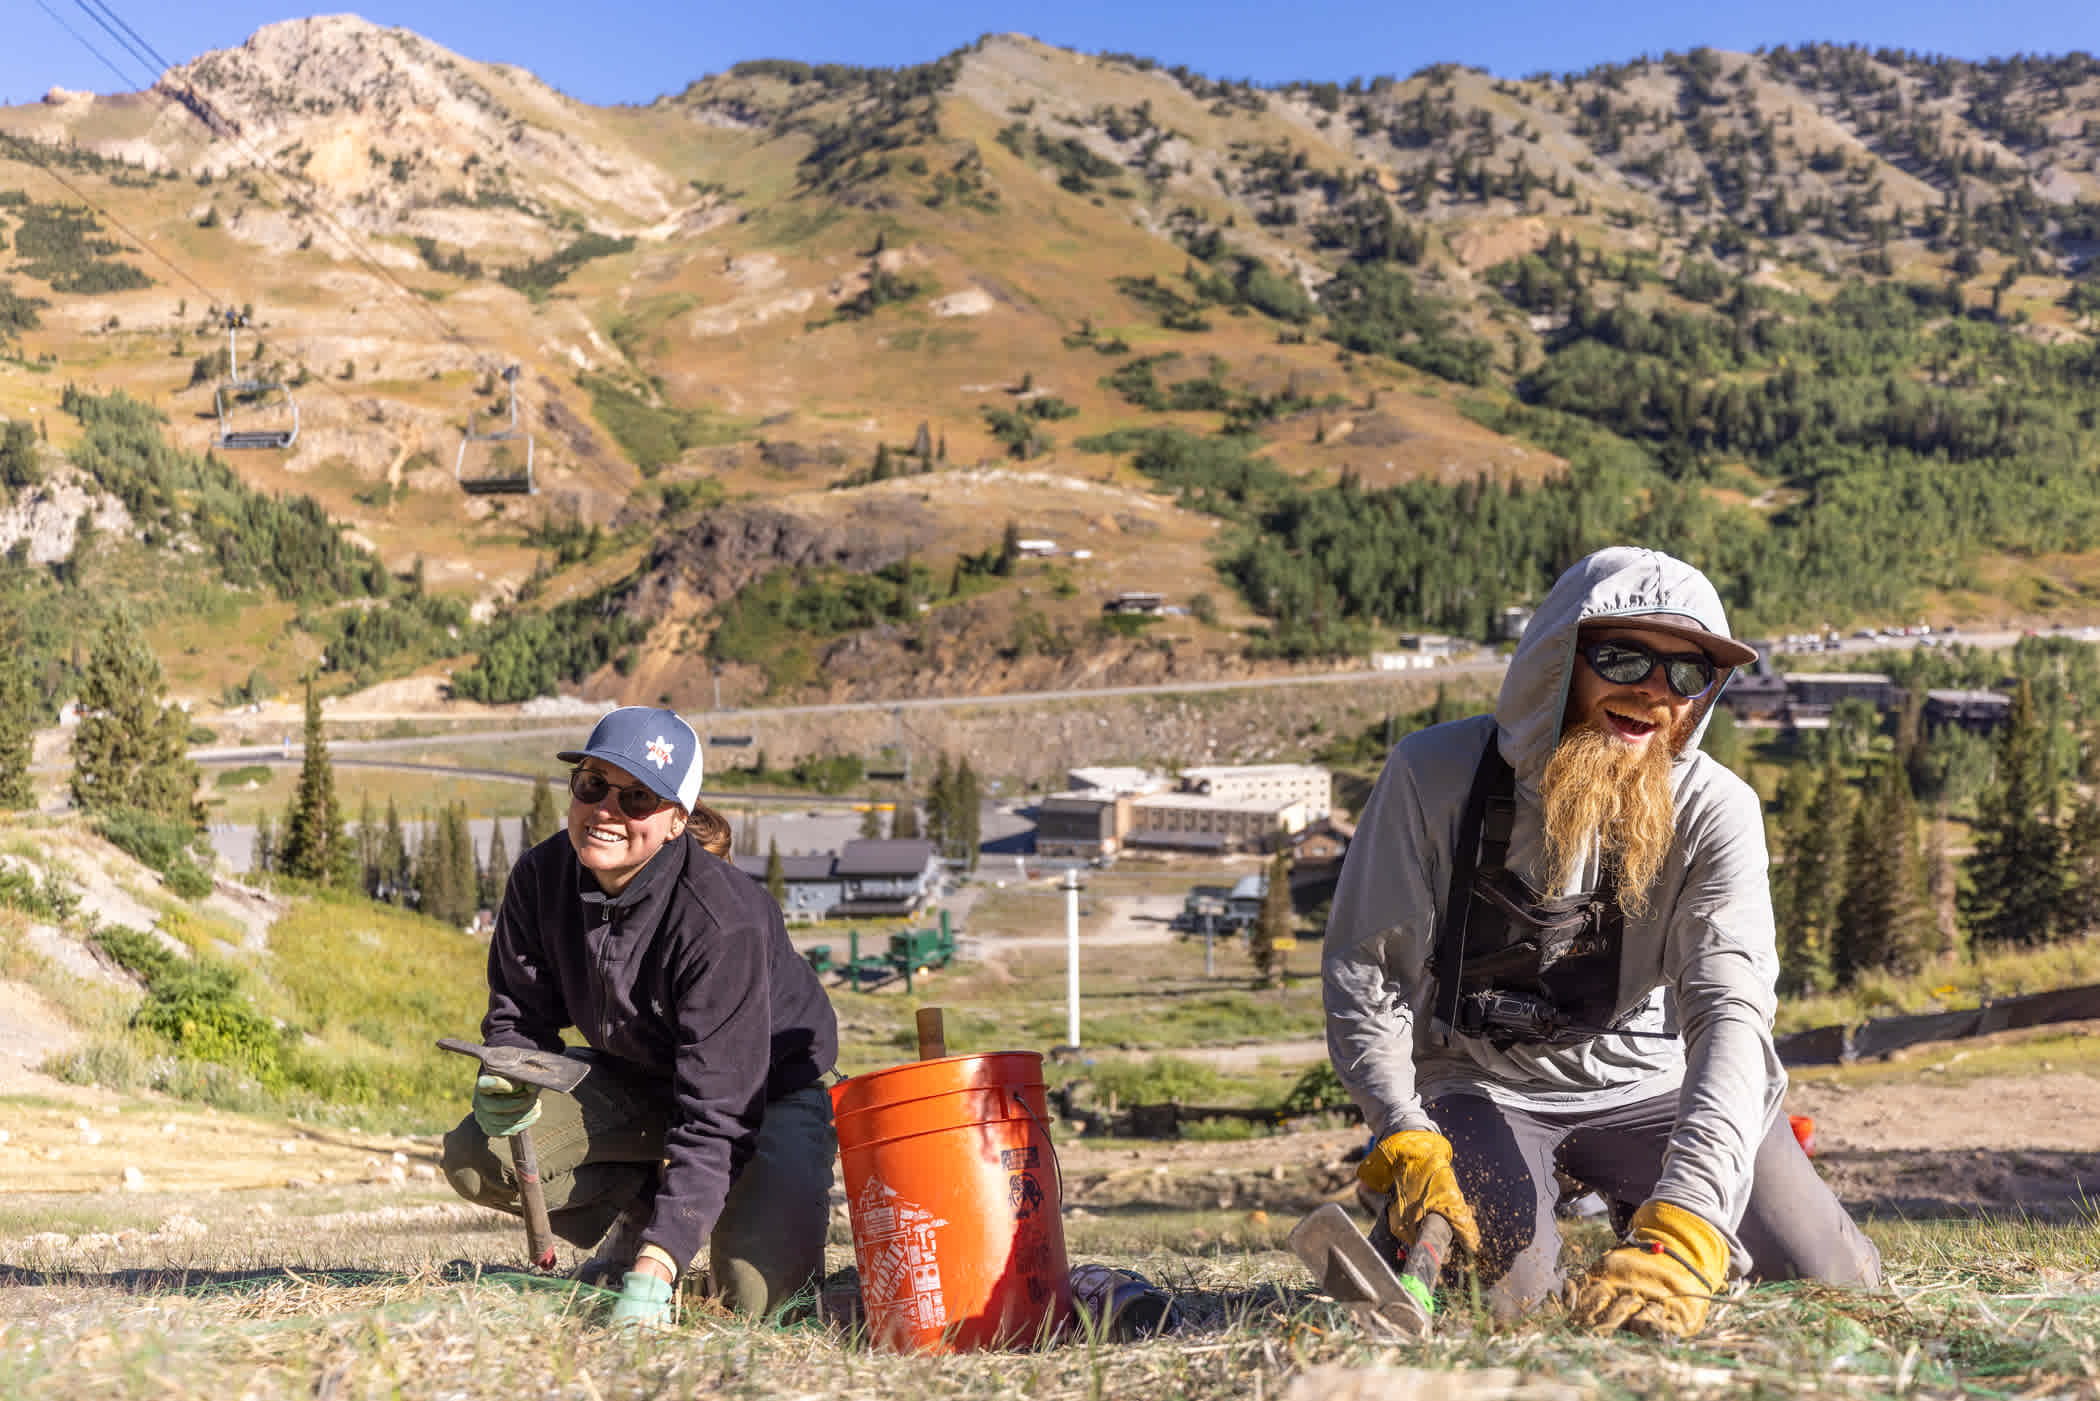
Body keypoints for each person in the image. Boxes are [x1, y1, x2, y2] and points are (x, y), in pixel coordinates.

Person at [1322, 546, 1879, 1338]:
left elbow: (1730, 1016)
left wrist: (1687, 1222)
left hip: (1655, 1081)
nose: (1655, 689)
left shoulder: (1718, 811)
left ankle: (1645, 1213)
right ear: (1559, 661)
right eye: (1622, 655)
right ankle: (1418, 1226)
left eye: (1688, 673)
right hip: (1480, 1083)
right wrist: (1401, 1124)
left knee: (1838, 1284)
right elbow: (1365, 972)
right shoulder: (1431, 776)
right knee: (1509, 1313)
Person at [441, 706, 838, 1331]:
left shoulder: (720, 922)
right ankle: (643, 1204)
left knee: (755, 1305)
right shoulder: (540, 878)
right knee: (475, 1158)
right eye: (593, 785)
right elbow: (520, 1013)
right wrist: (508, 1073)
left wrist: (655, 1272)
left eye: (637, 798)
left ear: (678, 819)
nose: (606, 810)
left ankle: (671, 1239)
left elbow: (718, 1116)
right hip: (640, 1080)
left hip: (766, 1094)